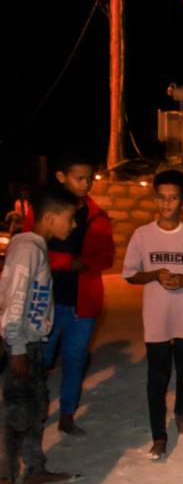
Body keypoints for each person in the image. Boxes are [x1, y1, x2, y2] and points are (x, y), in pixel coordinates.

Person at [122, 170, 183, 460]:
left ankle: (181, 412)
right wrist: (154, 274)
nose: (166, 203)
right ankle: (158, 436)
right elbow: (130, 274)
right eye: (161, 197)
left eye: (173, 198)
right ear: (155, 199)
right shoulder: (142, 235)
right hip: (156, 317)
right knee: (157, 377)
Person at [24, 152, 115, 436]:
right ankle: (35, 411)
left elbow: (107, 257)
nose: (86, 184)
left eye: (90, 178)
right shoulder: (45, 211)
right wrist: (66, 262)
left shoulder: (96, 215)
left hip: (83, 302)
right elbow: (29, 250)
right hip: (47, 301)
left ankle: (67, 414)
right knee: (41, 360)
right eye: (80, 178)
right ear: (61, 177)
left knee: (75, 359)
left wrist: (83, 263)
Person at [0, 185, 81, 484]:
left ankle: (35, 468)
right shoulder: (27, 250)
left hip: (32, 343)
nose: (72, 225)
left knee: (35, 406)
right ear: (50, 217)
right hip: (20, 345)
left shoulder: (36, 248)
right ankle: (5, 477)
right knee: (16, 412)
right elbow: (15, 300)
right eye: (69, 218)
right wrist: (18, 348)